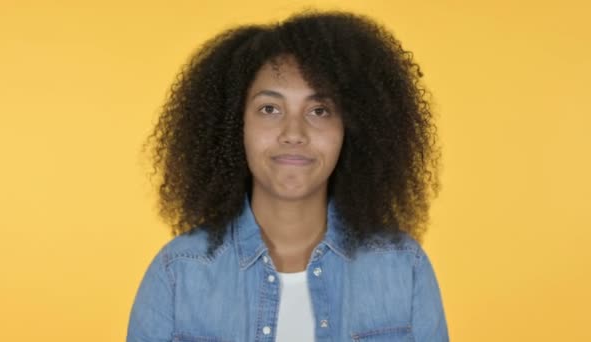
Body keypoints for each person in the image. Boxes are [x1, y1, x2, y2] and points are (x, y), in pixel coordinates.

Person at [128, 9, 448, 342]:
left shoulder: (403, 269)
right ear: (234, 126)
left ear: (352, 128)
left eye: (319, 110)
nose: (293, 133)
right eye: (269, 109)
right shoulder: (178, 273)